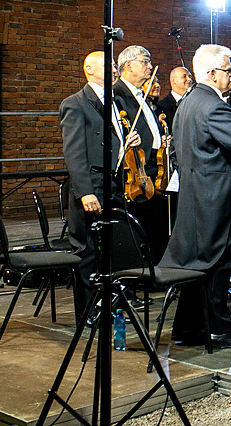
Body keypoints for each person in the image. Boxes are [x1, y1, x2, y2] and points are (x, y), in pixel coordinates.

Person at [160, 44, 231, 348]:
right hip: (216, 198)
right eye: (228, 70)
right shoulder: (213, 104)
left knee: (198, 265)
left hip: (195, 195)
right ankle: (218, 331)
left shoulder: (188, 102)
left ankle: (188, 329)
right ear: (211, 73)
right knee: (219, 264)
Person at [60, 51, 140, 320]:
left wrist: (128, 141)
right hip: (92, 185)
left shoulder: (115, 101)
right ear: (89, 69)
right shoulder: (75, 104)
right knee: (87, 251)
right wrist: (85, 192)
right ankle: (87, 312)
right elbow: (74, 152)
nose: (115, 70)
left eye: (115, 65)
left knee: (112, 250)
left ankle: (110, 306)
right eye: (109, 66)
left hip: (114, 183)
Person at [113, 45, 169, 259]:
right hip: (136, 170)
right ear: (128, 66)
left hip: (153, 169)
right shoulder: (117, 94)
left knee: (156, 225)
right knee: (140, 228)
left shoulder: (141, 95)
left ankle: (156, 267)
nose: (150, 66)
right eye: (144, 61)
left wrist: (160, 139)